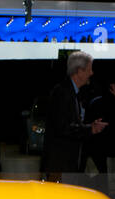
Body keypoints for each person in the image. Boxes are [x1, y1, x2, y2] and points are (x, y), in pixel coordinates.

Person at [42, 50, 107, 181]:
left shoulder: (72, 93)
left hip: (65, 167)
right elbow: (63, 127)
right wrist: (90, 129)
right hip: (59, 168)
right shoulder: (62, 93)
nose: (92, 73)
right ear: (79, 71)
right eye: (89, 69)